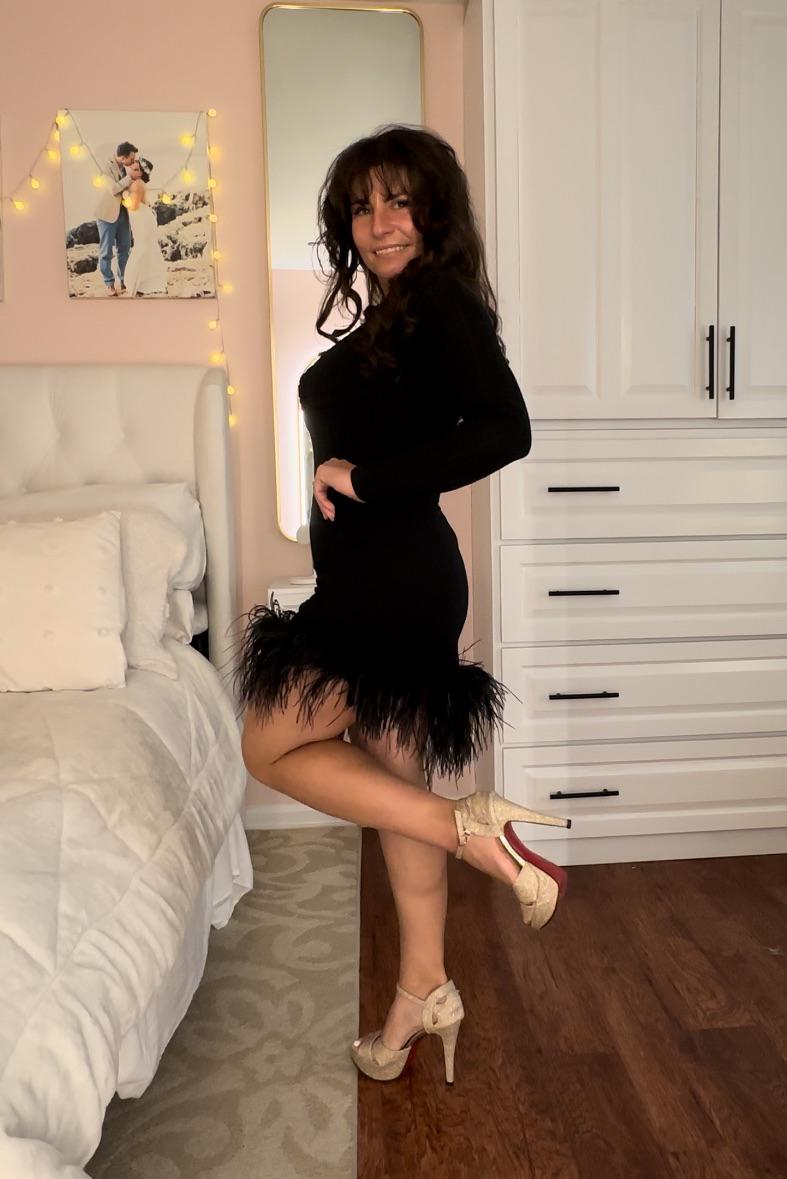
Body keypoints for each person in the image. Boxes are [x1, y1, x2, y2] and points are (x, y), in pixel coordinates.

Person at [237, 125, 573, 1085]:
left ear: (433, 211)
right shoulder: (398, 315)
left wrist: (365, 478)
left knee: (268, 745)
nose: (379, 223)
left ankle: (467, 829)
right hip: (384, 578)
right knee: (397, 793)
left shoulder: (441, 302)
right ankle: (420, 991)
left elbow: (506, 429)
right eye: (360, 206)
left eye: (398, 201)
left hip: (392, 582)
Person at [94, 141, 138, 296]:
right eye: (131, 159)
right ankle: (109, 283)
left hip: (123, 213)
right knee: (106, 251)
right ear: (123, 157)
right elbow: (113, 189)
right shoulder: (105, 167)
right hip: (106, 214)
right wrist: (130, 177)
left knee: (125, 248)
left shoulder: (125, 168)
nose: (133, 162)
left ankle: (124, 280)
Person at [122, 157, 168, 296]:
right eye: (132, 168)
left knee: (142, 247)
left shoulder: (137, 184)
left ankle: (137, 281)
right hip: (142, 217)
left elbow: (133, 206)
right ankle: (146, 282)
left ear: (142, 172)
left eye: (136, 169)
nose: (132, 170)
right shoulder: (138, 183)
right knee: (145, 247)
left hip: (141, 218)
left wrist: (124, 198)